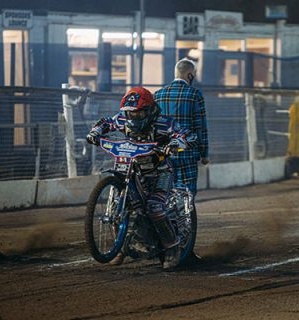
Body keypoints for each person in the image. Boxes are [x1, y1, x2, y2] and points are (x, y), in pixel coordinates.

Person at [86, 86, 197, 269]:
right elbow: (106, 123)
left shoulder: (164, 123)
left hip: (160, 172)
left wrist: (175, 143)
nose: (133, 118)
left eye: (138, 114)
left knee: (154, 207)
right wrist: (95, 133)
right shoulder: (123, 119)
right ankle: (121, 249)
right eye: (130, 114)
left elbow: (188, 135)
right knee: (121, 207)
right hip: (132, 170)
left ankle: (172, 248)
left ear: (150, 110)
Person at [154, 58, 209, 197]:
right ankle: (186, 218)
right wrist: (204, 153)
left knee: (164, 193)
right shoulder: (195, 94)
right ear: (190, 75)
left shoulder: (158, 94)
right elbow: (200, 126)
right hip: (187, 153)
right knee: (187, 194)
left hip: (163, 154)